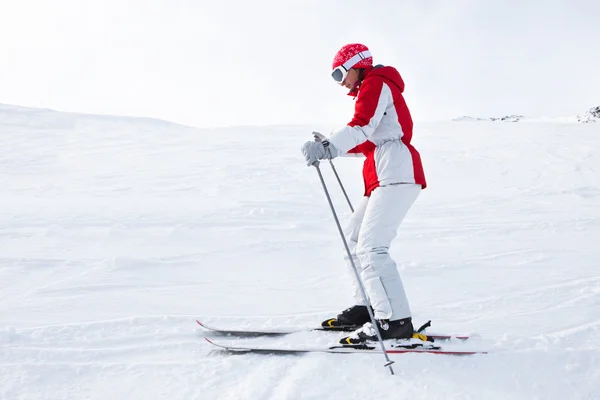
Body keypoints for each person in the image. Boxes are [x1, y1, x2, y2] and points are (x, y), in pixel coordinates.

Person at [301, 43, 427, 344]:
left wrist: (329, 147)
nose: (340, 81)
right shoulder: (372, 89)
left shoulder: (376, 82)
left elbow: (361, 126)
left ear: (357, 65)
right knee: (354, 241)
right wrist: (330, 146)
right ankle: (367, 305)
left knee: (372, 248)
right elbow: (365, 142)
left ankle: (394, 321)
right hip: (381, 176)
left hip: (397, 173)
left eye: (339, 73)